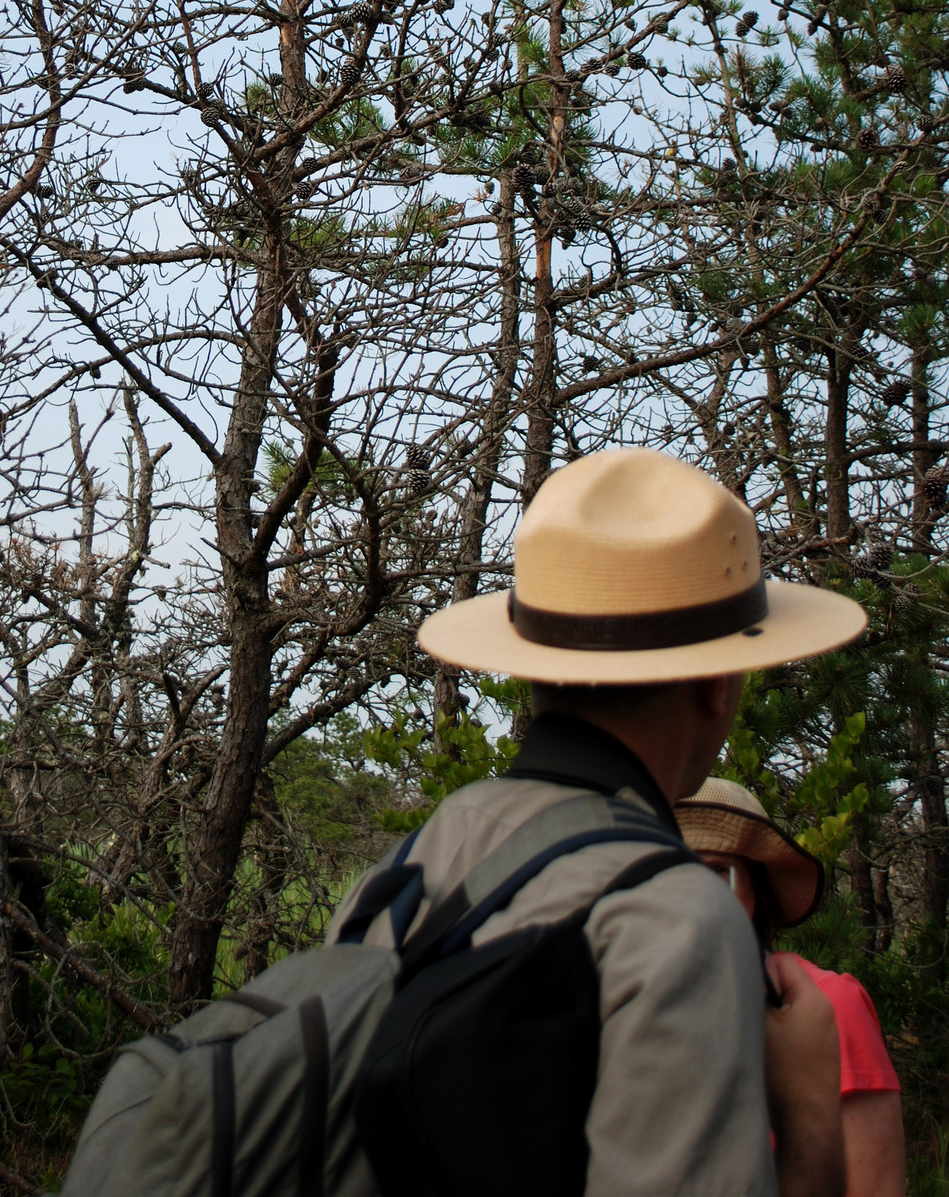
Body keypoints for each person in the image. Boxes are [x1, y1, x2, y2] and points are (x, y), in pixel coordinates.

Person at [331, 445, 867, 1197]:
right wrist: (809, 1110)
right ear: (716, 683)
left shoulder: (401, 872)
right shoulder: (675, 918)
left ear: (532, 663)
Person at [677, 777, 906, 1197]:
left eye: (717, 871)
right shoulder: (634, 1015)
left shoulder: (829, 1005)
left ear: (756, 892)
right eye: (672, 872)